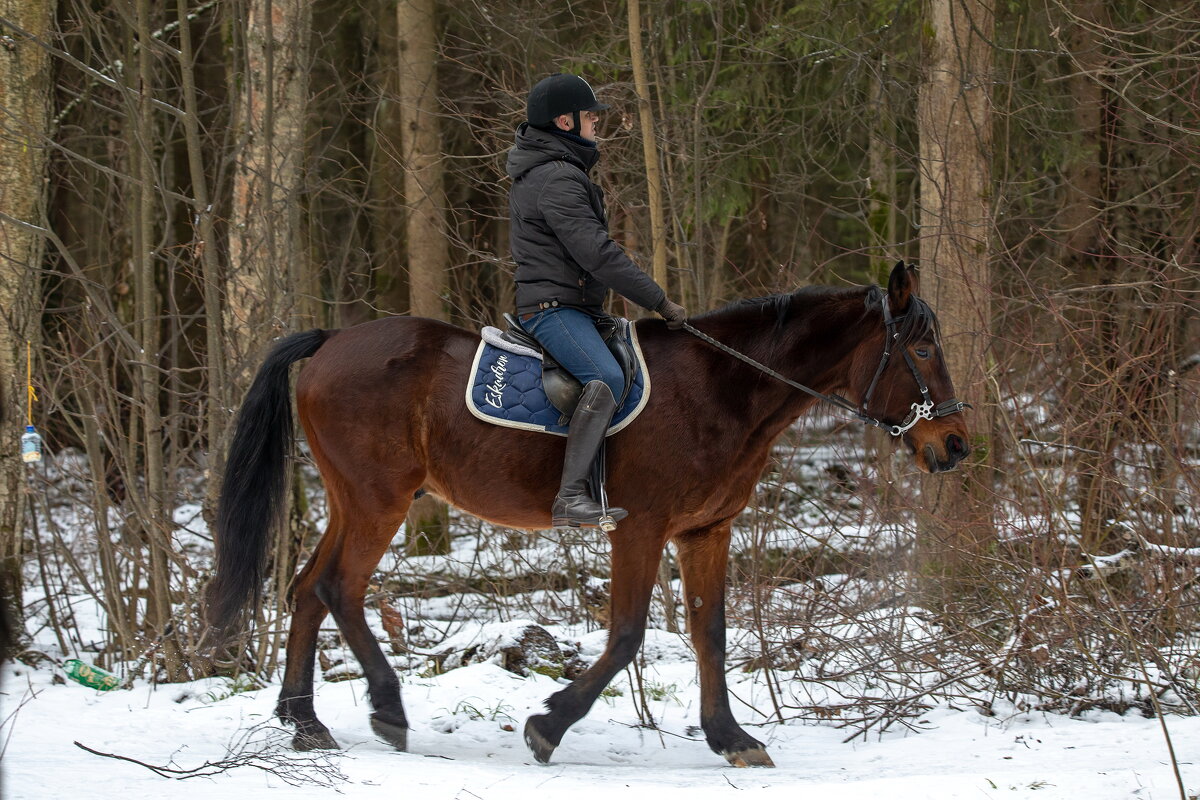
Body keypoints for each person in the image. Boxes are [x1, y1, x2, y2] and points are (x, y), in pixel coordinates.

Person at [506, 73, 687, 528]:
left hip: (575, 306)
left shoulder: (556, 171)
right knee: (604, 376)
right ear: (564, 121)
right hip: (553, 308)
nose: (596, 125)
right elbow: (597, 252)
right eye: (590, 116)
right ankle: (569, 497)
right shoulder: (556, 178)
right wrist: (659, 302)